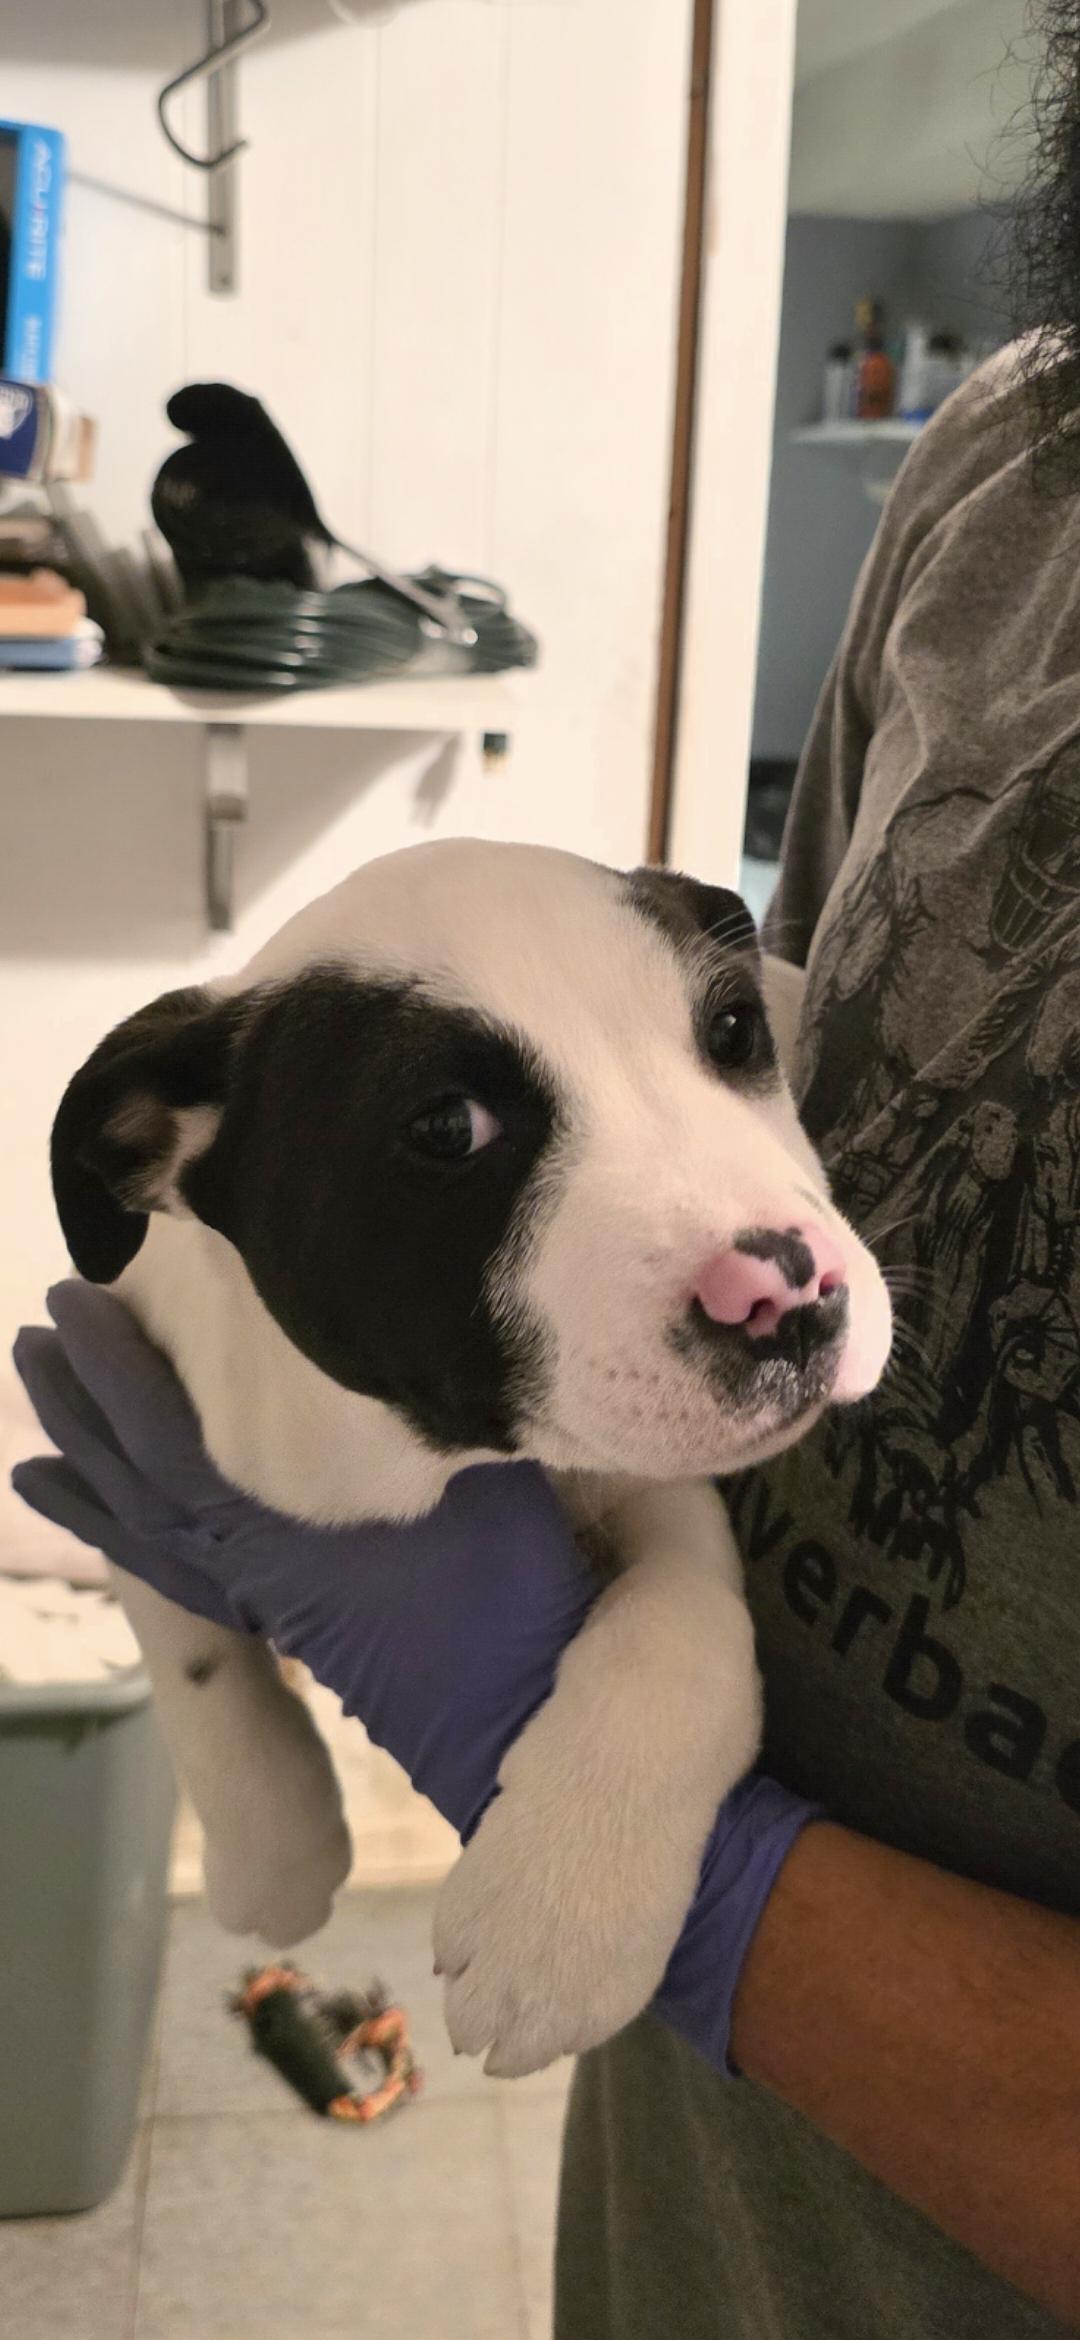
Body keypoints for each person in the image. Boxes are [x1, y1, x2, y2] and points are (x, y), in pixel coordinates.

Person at [13, 5, 1080, 2328]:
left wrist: (700, 1871)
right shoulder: (1010, 460)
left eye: (721, 1042)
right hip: (704, 2229)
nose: (766, 1257)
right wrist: (231, 1710)